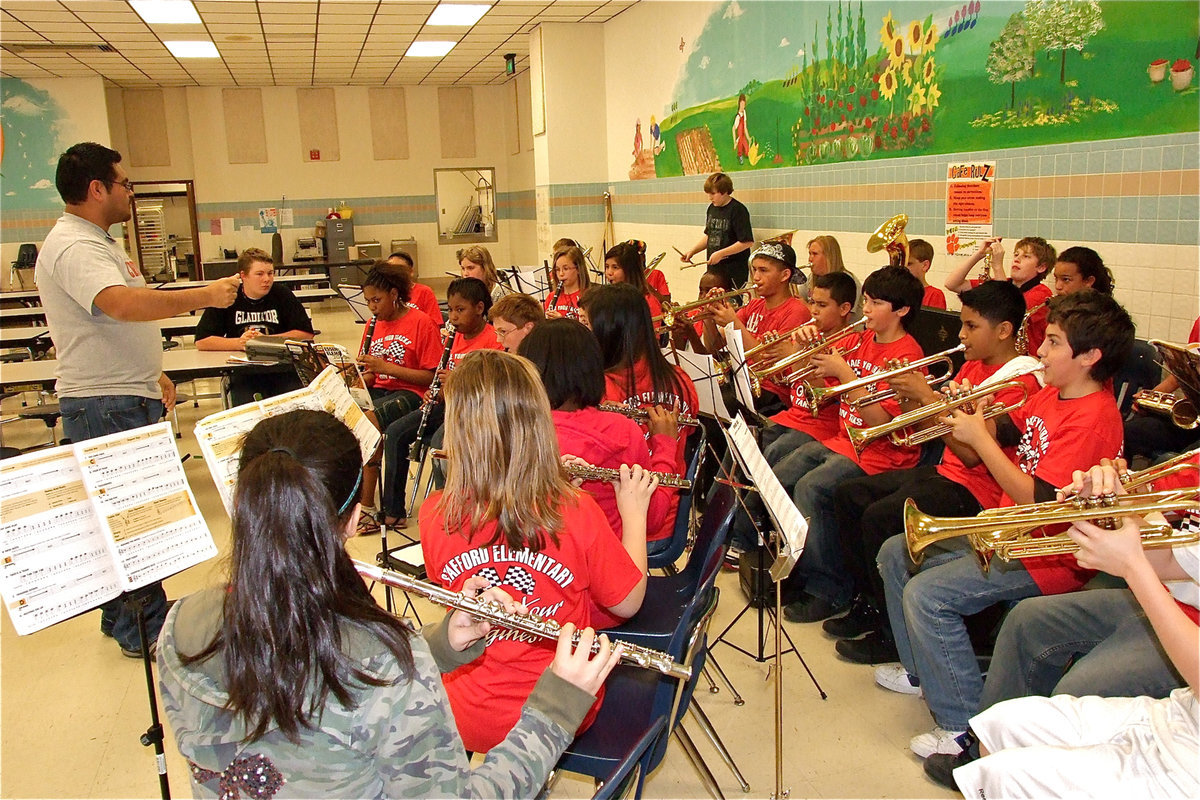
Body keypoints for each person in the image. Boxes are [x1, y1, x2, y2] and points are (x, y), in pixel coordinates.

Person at [157, 408, 624, 798]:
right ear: (354, 519)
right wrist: (558, 705)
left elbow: (308, 666)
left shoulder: (180, 626)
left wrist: (438, 645)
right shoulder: (389, 665)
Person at [874, 290, 1135, 760]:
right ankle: (923, 674)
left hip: (1047, 555)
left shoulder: (1094, 419)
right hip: (1005, 532)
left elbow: (1041, 504)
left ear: (1090, 356)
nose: (1039, 351)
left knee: (929, 596)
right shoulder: (1052, 395)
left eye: (1053, 343)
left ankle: (961, 722)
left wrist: (980, 438)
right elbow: (1006, 435)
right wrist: (965, 410)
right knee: (896, 552)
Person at [35, 142, 239, 658]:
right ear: (96, 188)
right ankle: (144, 626)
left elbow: (110, 320)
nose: (130, 192)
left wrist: (152, 373)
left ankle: (121, 613)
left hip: (124, 391)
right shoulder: (74, 246)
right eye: (124, 183)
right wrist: (205, 296)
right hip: (104, 402)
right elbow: (121, 305)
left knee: (123, 511)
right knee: (132, 515)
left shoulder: (97, 242)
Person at [420, 351, 652, 753]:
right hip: (561, 709)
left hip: (467, 714)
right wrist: (634, 515)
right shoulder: (577, 511)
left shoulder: (434, 512)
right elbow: (628, 604)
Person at [943, 459, 1199, 798]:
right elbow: (1169, 561)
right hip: (1184, 713)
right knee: (1004, 727)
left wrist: (1133, 567)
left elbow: (1144, 567)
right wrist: (1111, 509)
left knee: (1008, 777)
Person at [829, 281, 1042, 663]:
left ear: (1004, 330)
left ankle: (891, 634)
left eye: (971, 326)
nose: (960, 334)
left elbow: (974, 454)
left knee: (879, 518)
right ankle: (865, 601)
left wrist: (927, 397)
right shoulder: (975, 365)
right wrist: (909, 395)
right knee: (849, 496)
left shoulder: (1018, 381)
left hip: (979, 490)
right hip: (947, 471)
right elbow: (927, 425)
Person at [774, 266, 926, 623]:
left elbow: (885, 426)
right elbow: (809, 373)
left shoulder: (907, 356)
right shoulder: (858, 339)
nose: (867, 310)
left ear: (902, 310)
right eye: (866, 301)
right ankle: (794, 566)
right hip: (844, 441)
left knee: (813, 488)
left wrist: (846, 375)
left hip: (881, 455)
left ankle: (829, 588)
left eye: (875, 303)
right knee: (779, 475)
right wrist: (808, 343)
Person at [519, 318, 678, 545]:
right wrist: (665, 445)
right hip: (605, 568)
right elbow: (653, 519)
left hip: (537, 565)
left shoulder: (515, 429)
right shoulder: (624, 432)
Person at [380, 278, 503, 527]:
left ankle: (450, 510)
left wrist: (458, 381)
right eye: (450, 310)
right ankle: (393, 509)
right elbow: (440, 373)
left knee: (439, 444)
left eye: (460, 310)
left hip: (474, 409)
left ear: (479, 309)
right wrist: (433, 392)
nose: (454, 317)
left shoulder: (492, 340)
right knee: (395, 433)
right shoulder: (452, 338)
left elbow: (493, 387)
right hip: (446, 403)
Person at [585, 284, 698, 541]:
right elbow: (687, 439)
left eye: (587, 326)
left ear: (607, 333)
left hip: (630, 522)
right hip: (669, 510)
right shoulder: (680, 380)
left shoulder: (600, 390)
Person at [194, 248, 315, 405]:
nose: (267, 279)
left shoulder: (282, 294)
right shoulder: (227, 297)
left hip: (282, 369)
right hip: (244, 373)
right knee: (246, 405)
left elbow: (306, 334)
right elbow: (202, 341)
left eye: (270, 273)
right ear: (243, 276)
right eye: (259, 274)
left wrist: (264, 341)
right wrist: (240, 343)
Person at [700, 240, 811, 410]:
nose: (756, 277)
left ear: (784, 275)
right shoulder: (754, 305)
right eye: (755, 269)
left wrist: (734, 323)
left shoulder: (796, 311)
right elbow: (713, 346)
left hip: (772, 392)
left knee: (712, 405)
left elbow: (772, 366)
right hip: (742, 381)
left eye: (764, 270)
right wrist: (709, 315)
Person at [945, 236, 1056, 356]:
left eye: (1026, 256)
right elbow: (952, 283)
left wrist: (997, 266)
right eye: (1016, 255)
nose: (1017, 259)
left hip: (1023, 359)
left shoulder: (1042, 294)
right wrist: (979, 254)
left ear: (1041, 267)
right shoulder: (1002, 282)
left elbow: (1007, 309)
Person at [1124, 315, 1200, 460]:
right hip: (1194, 417)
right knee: (1128, 432)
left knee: (1183, 461)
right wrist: (1151, 397)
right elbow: (1184, 372)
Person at [679, 172, 754, 287]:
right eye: (708, 194)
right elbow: (710, 235)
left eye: (713, 194)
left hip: (733, 270)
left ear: (724, 192)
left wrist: (721, 253)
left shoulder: (738, 210)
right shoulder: (712, 208)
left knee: (730, 303)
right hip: (714, 269)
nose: (710, 198)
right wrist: (692, 251)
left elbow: (747, 242)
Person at [603, 241, 664, 321]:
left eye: (615, 267)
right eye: (607, 267)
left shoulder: (648, 302)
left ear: (629, 270)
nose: (609, 272)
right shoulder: (607, 298)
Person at [387, 250, 442, 324]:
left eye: (400, 269)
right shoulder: (385, 293)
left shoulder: (424, 291)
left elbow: (434, 323)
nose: (395, 273)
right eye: (391, 269)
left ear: (411, 271)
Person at [545, 245, 590, 320]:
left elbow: (588, 327)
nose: (561, 274)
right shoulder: (551, 297)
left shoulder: (588, 297)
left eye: (566, 269)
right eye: (557, 269)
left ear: (578, 269)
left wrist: (562, 320)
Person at [906, 238, 946, 309]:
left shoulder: (934, 295)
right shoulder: (898, 292)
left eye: (909, 264)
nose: (903, 267)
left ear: (925, 265)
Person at [732, 94, 750, 165]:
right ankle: (740, 156)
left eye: (744, 104)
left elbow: (745, 127)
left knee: (747, 152)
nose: (743, 106)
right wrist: (734, 142)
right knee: (739, 148)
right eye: (742, 104)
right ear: (739, 104)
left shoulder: (744, 113)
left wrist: (748, 138)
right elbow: (733, 129)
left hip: (743, 136)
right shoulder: (738, 117)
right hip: (739, 137)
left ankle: (744, 150)